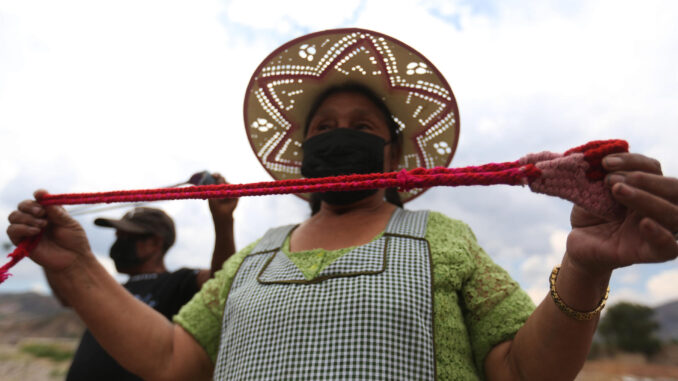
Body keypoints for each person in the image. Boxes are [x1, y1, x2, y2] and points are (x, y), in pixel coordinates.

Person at [6, 28, 678, 380]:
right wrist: (78, 269)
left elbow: (522, 371)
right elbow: (172, 361)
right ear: (300, 157)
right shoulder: (256, 256)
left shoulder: (442, 237)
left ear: (392, 153)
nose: (339, 139)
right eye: (322, 132)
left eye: (360, 126)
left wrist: (586, 266)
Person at [46, 173, 238, 381]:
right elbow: (66, 297)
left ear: (155, 243)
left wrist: (223, 222)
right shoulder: (113, 288)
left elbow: (221, 282)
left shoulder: (177, 282)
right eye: (117, 236)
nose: (118, 244)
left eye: (127, 237)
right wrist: (48, 253)